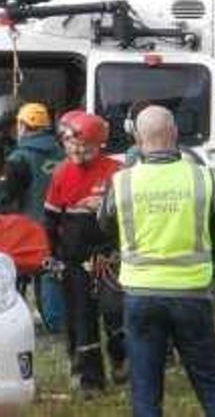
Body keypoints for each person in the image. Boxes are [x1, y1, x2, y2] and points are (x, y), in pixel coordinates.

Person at [99, 105, 215, 417]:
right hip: (192, 294)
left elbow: (106, 225)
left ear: (136, 136)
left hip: (140, 295)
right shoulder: (201, 178)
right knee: (211, 385)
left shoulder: (122, 182)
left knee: (145, 391)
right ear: (174, 133)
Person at [45, 111, 127, 394]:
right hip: (75, 259)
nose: (78, 152)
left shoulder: (116, 172)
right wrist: (54, 257)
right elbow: (51, 221)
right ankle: (90, 380)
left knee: (115, 310)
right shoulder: (61, 173)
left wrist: (114, 250)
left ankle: (122, 358)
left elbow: (129, 220)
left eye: (85, 147)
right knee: (82, 318)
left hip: (109, 258)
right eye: (72, 145)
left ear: (99, 145)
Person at [0, 102, 66, 332]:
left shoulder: (20, 159)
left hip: (29, 230)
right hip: (61, 226)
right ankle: (58, 326)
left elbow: (0, 197)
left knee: (15, 274)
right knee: (52, 273)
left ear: (23, 126)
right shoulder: (63, 152)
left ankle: (15, 324)